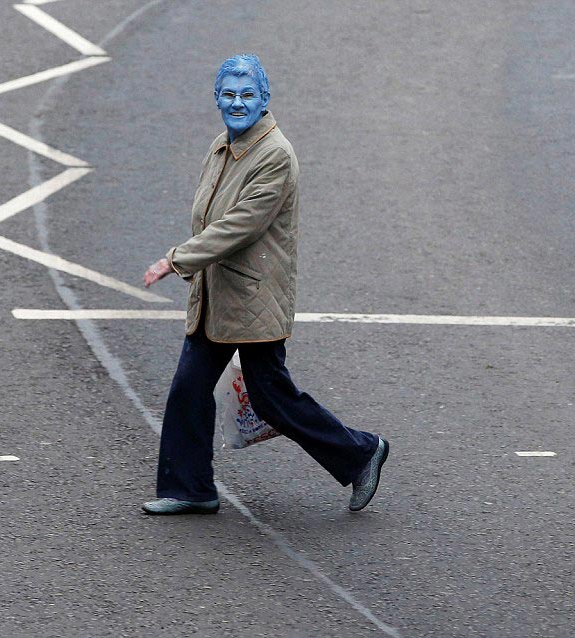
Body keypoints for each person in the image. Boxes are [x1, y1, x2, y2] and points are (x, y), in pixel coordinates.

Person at [141, 54, 389, 515]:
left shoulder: (275, 156)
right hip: (216, 297)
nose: (238, 103)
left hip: (252, 300)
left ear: (264, 99)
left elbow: (240, 226)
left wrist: (176, 260)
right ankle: (189, 488)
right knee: (188, 391)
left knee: (273, 399)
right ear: (217, 98)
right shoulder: (223, 145)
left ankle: (361, 453)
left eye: (248, 95)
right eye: (229, 94)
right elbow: (208, 213)